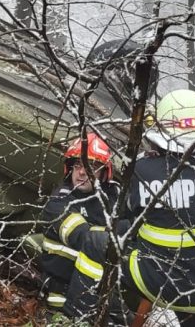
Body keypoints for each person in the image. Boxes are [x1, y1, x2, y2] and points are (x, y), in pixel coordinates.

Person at [59, 90, 195, 325]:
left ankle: (80, 318)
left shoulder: (142, 169)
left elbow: (128, 216)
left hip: (153, 281)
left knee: (96, 243)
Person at [39, 132, 120, 312]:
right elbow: (85, 238)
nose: (82, 172)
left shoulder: (111, 196)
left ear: (104, 173)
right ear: (70, 168)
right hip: (63, 292)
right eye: (78, 165)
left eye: (92, 166)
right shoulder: (59, 202)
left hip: (100, 288)